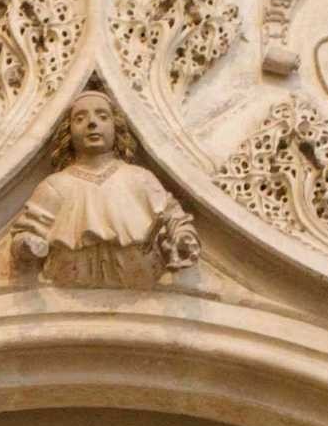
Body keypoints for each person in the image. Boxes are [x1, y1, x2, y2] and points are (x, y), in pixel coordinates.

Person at [10, 90, 198, 288]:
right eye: (80, 118)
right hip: (68, 284)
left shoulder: (139, 178)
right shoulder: (55, 185)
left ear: (116, 127)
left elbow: (172, 216)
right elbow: (27, 232)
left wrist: (182, 238)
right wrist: (28, 245)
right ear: (68, 131)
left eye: (102, 116)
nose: (92, 123)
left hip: (139, 277)